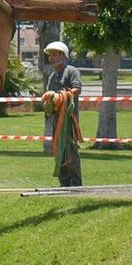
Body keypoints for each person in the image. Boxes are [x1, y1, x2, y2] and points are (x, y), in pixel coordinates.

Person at [39, 39, 83, 187]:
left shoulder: (71, 71)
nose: (51, 58)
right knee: (59, 149)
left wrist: (63, 95)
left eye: (54, 55)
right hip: (57, 119)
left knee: (70, 149)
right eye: (50, 55)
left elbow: (77, 89)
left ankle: (75, 182)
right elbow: (49, 95)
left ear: (63, 55)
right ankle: (64, 182)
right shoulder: (52, 76)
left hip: (69, 119)